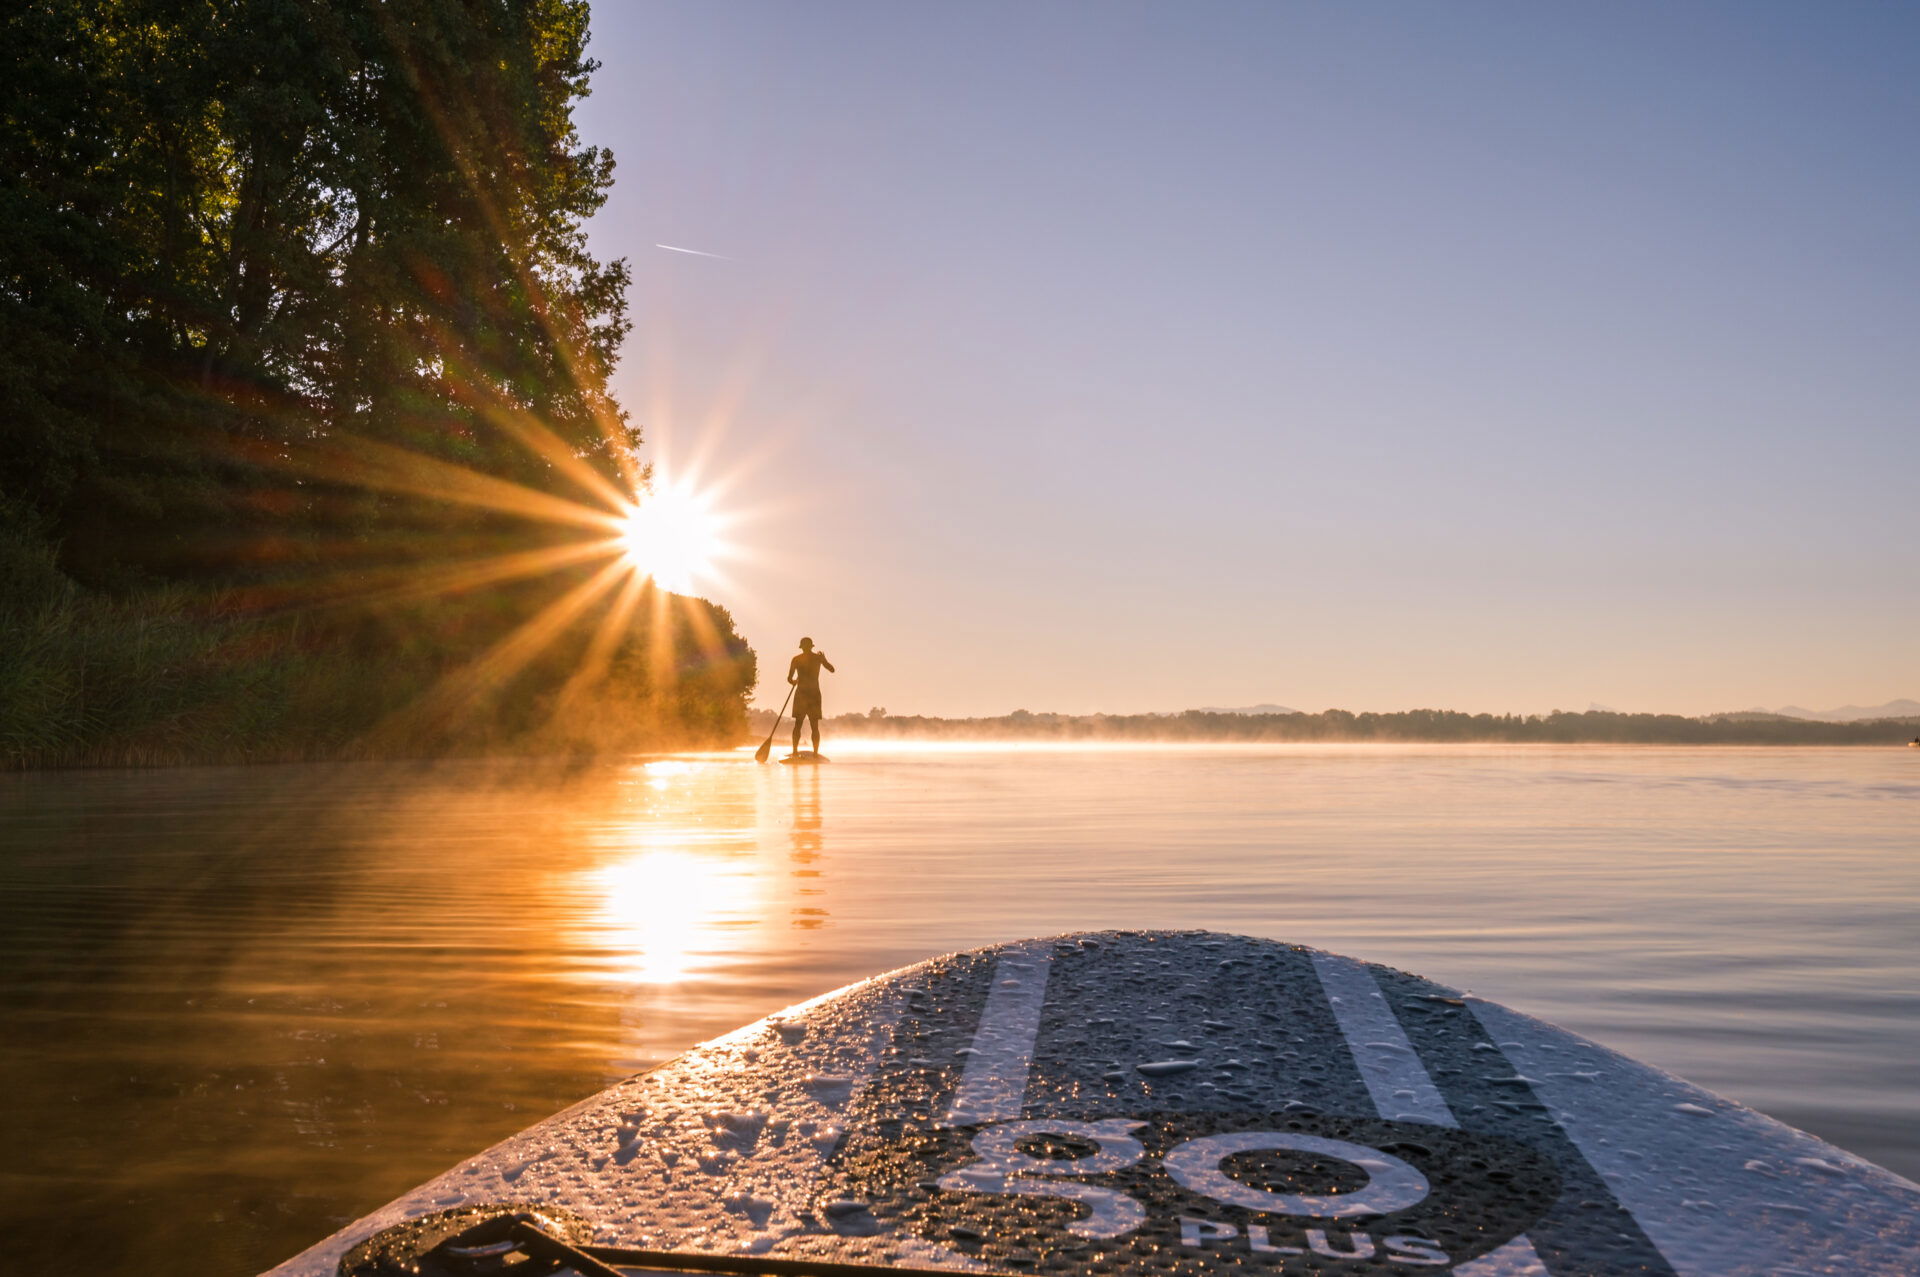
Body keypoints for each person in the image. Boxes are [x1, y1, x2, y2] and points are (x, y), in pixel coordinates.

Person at [788, 637, 836, 755]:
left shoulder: (797, 659)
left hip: (806, 694)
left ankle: (799, 752)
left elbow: (789, 679)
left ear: (803, 647)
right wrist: (824, 660)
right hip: (810, 695)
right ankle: (812, 753)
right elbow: (832, 669)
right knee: (811, 726)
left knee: (802, 725)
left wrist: (794, 681)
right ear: (810, 646)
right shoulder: (815, 658)